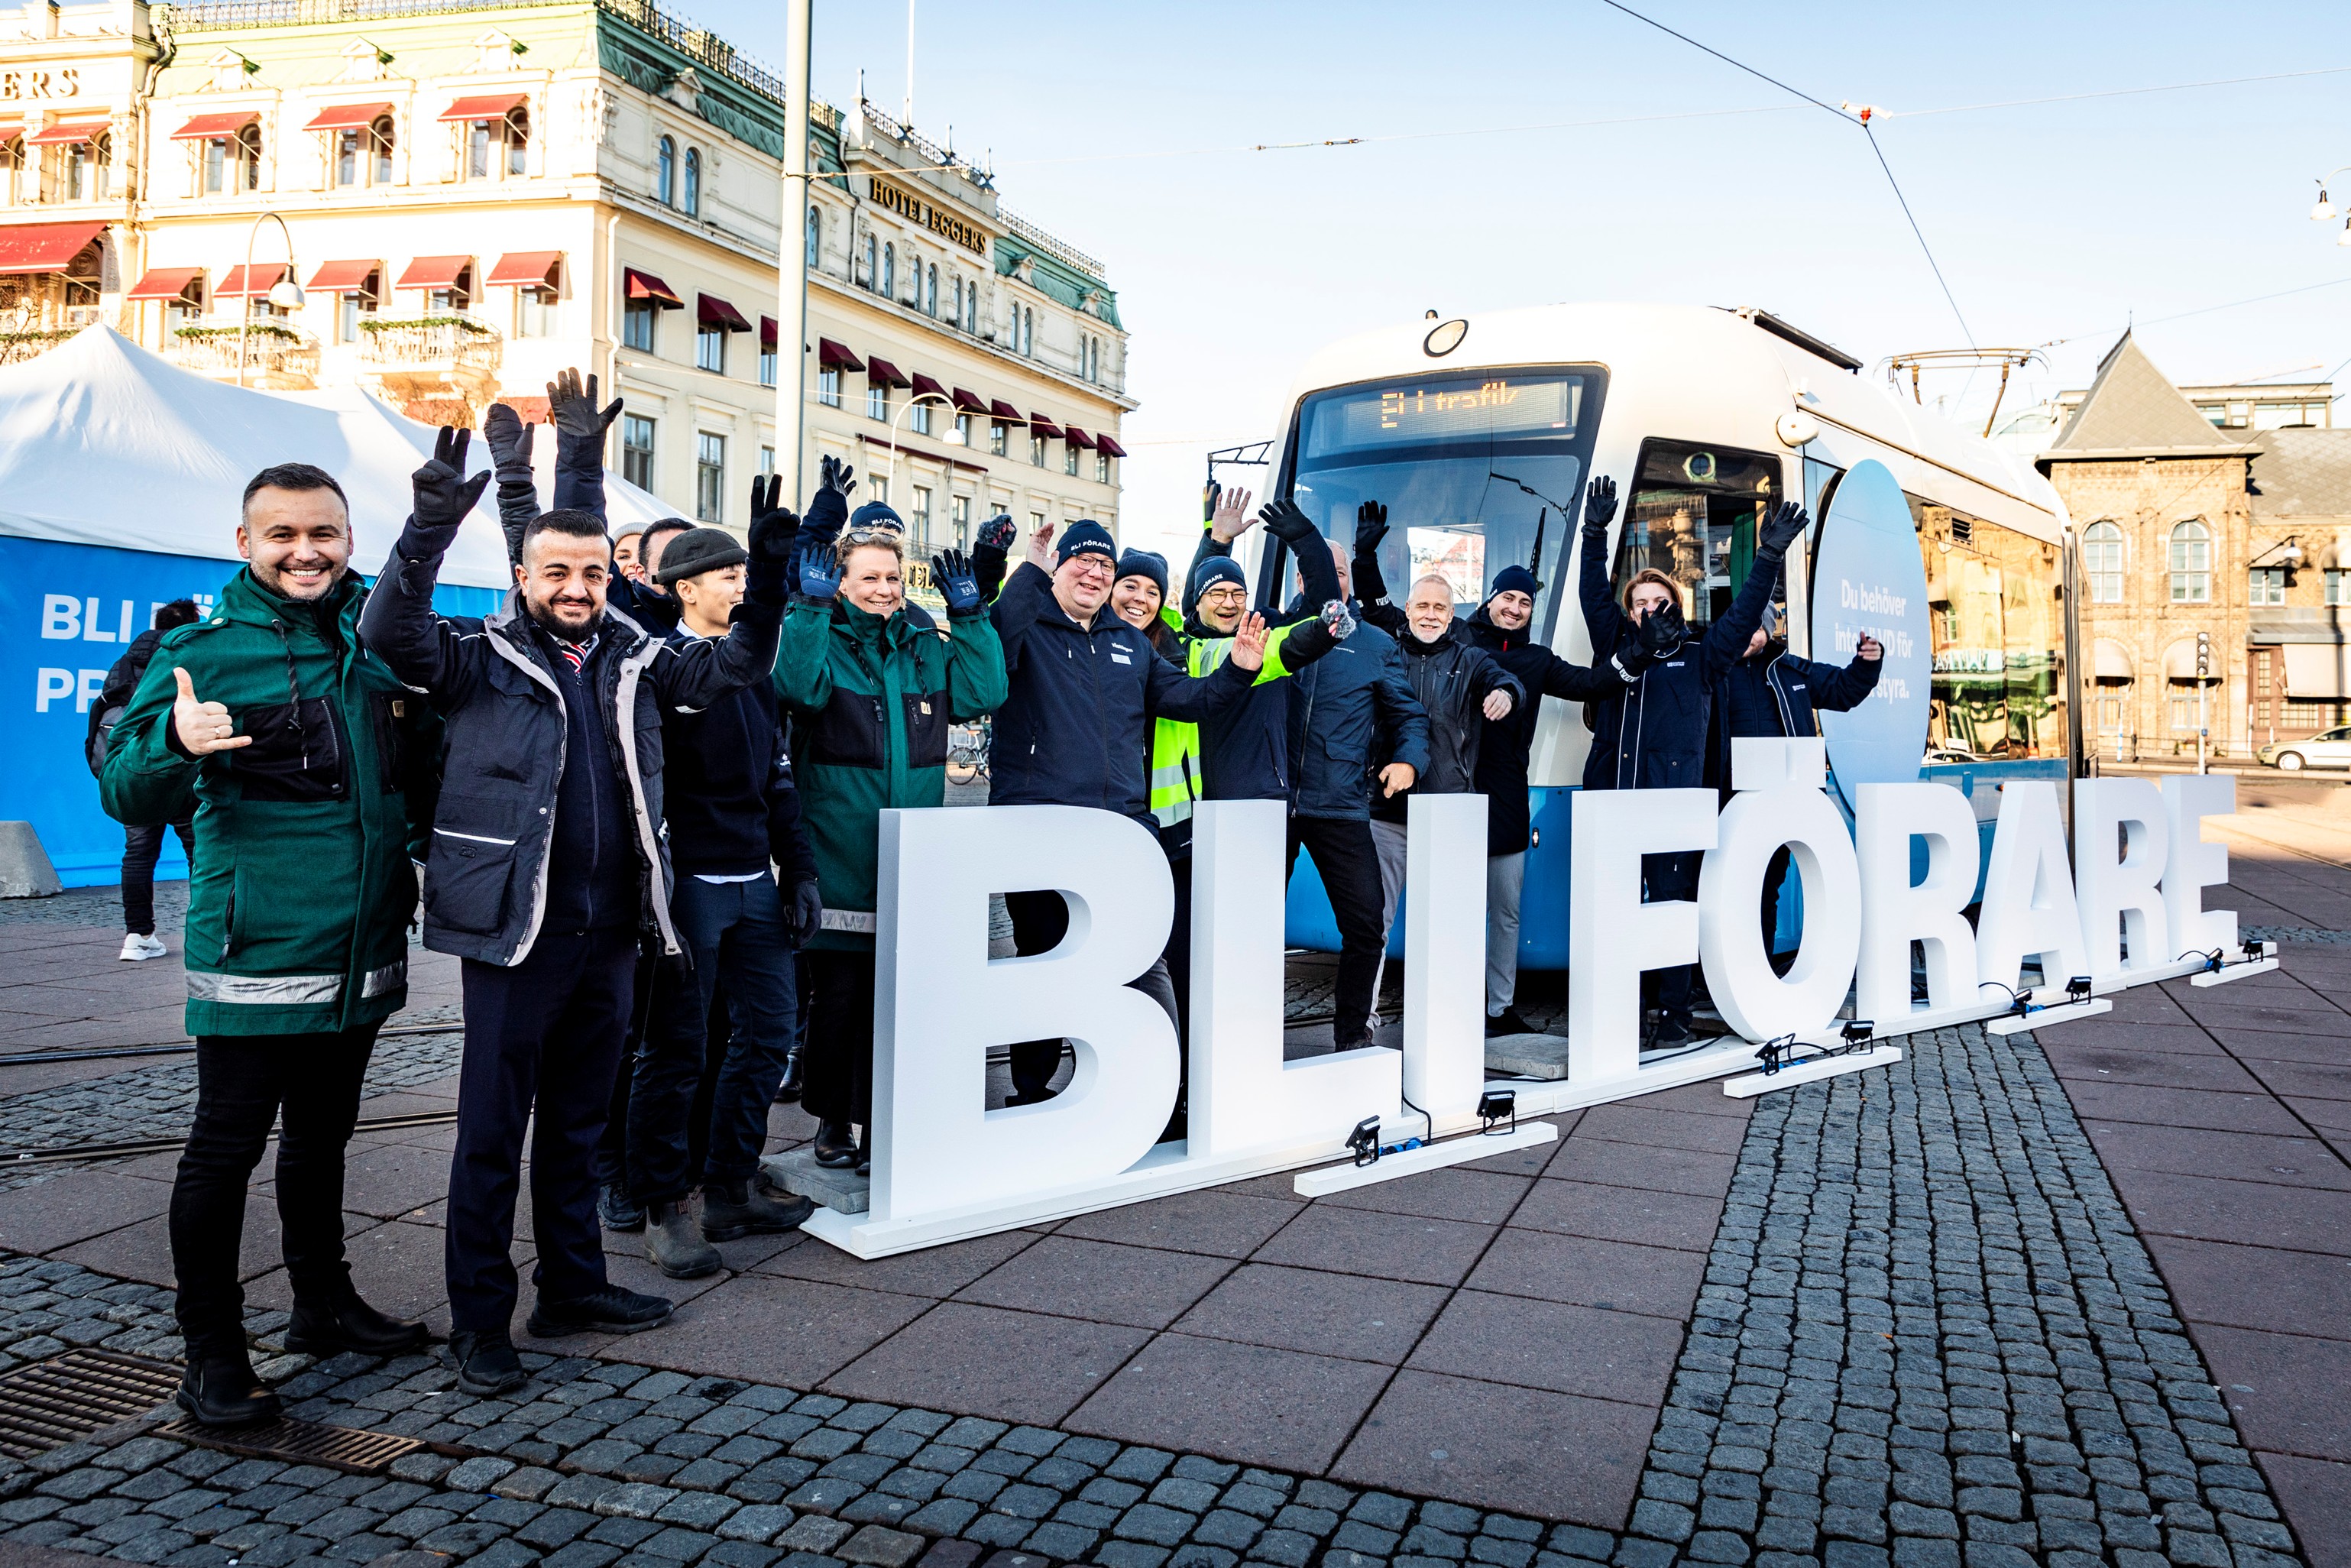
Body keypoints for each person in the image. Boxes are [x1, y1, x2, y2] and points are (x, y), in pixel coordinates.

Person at [358, 427, 791, 1396]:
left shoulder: (636, 657)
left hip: (613, 933)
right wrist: (425, 532)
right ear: (522, 574)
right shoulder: (477, 655)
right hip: (516, 935)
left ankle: (573, 1285)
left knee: (575, 1121)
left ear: (610, 576)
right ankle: (480, 1322)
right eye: (555, 569)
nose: (576, 585)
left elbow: (737, 669)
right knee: (489, 1135)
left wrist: (765, 575)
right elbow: (385, 635)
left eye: (591, 570)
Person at [99, 464, 439, 1427]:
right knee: (224, 1151)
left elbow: (413, 781)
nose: (306, 552)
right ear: (244, 541)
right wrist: (175, 739)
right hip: (256, 949)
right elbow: (124, 794)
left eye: (323, 533)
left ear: (346, 537)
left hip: (361, 944)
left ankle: (321, 1306)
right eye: (282, 534)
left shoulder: (377, 642)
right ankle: (210, 1354)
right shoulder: (199, 650)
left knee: (325, 1138)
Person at [991, 520, 1272, 1103]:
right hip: (1036, 829)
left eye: (1104, 566)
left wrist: (1239, 669)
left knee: (1141, 957)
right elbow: (996, 632)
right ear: (1059, 568)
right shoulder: (1027, 630)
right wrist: (1030, 569)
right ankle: (1031, 1090)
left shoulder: (1131, 645)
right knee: (1042, 960)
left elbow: (1190, 702)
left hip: (1119, 833)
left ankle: (1154, 1089)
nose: (1093, 574)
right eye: (1081, 562)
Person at [626, 503, 824, 1277]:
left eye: (745, 573)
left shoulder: (756, 679)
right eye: (727, 576)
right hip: (690, 891)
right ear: (684, 590)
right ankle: (663, 1206)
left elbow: (777, 784)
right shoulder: (668, 670)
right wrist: (774, 580)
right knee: (675, 1052)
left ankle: (731, 1184)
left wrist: (799, 869)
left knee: (769, 1035)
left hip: (753, 888)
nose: (738, 586)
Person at [775, 525, 1005, 1172]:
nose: (883, 589)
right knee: (840, 996)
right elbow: (796, 689)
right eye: (869, 577)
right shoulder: (820, 634)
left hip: (913, 859)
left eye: (892, 578)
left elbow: (983, 694)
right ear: (841, 581)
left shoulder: (924, 646)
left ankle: (886, 1121)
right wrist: (809, 610)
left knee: (902, 997)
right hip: (840, 851)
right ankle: (830, 1122)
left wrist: (971, 616)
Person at [1113, 495, 1349, 1116]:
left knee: (1238, 958)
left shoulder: (1261, 648)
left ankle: (1233, 1073)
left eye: (1236, 593)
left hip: (1248, 827)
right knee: (1179, 961)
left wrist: (1305, 539)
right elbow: (1151, 602)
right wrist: (1213, 546)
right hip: (1180, 832)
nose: (1227, 600)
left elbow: (1328, 618)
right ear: (1192, 605)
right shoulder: (1174, 656)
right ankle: (1184, 1079)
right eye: (1215, 593)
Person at [1580, 477, 1803, 1047]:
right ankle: (1617, 1012)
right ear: (1629, 611)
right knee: (1613, 909)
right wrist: (1593, 533)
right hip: (1612, 801)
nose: (1647, 609)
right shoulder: (1617, 647)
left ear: (1674, 607)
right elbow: (1589, 595)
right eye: (1639, 603)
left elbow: (1745, 611)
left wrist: (1770, 556)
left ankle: (1672, 1014)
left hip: (1674, 805)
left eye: (1658, 602)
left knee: (1673, 909)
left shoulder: (1703, 655)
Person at [1450, 552, 1656, 1035]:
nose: (1516, 608)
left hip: (1506, 795)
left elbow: (1593, 683)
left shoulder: (1537, 661)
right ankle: (1451, 1000)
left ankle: (1498, 1009)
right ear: (1491, 598)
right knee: (1453, 907)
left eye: (1524, 602)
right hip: (1451, 793)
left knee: (1505, 912)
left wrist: (1640, 652)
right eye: (1508, 597)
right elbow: (1402, 624)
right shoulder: (1458, 639)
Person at [1350, 563, 1524, 1021]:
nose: (1430, 615)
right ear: (1407, 610)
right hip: (1387, 812)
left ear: (1453, 616)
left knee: (1452, 921)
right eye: (1422, 606)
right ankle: (1363, 1017)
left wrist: (1507, 693)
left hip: (1449, 812)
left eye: (1440, 608)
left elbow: (1508, 683)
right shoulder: (1383, 653)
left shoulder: (1470, 660)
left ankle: (1453, 1019)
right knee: (1376, 921)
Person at [1714, 591, 1883, 960]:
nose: (1747, 634)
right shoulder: (1712, 670)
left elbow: (1844, 690)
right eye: (1739, 625)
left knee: (1767, 885)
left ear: (1769, 631)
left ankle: (1759, 964)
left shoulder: (1792, 670)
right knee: (1720, 886)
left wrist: (1867, 664)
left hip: (1780, 803)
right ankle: (1708, 974)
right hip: (1724, 800)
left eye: (1756, 627)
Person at [89, 598, 204, 961]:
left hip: (134, 773)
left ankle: (137, 936)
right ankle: (206, 937)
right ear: (191, 623)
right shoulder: (188, 656)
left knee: (138, 855)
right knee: (200, 853)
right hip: (180, 773)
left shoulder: (124, 665)